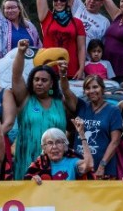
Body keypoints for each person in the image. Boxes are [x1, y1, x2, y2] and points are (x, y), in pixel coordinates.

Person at [11, 40, 77, 180]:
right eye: (36, 79)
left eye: (44, 80)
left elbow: (72, 127)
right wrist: (21, 53)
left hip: (57, 163)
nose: (39, 83)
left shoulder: (61, 103)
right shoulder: (25, 99)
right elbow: (16, 76)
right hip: (27, 161)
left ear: (52, 83)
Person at [35, 0, 86, 79]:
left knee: (68, 98)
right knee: (51, 96)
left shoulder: (77, 23)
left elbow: (81, 48)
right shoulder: (46, 18)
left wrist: (82, 68)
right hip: (48, 70)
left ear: (68, 2)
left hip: (71, 71)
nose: (59, 2)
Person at [73, 75, 123, 179]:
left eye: (95, 87)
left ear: (103, 89)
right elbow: (65, 91)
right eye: (88, 88)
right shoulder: (81, 107)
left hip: (103, 169)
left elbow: (115, 141)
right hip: (80, 167)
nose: (91, 91)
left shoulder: (113, 111)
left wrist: (102, 165)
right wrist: (63, 75)